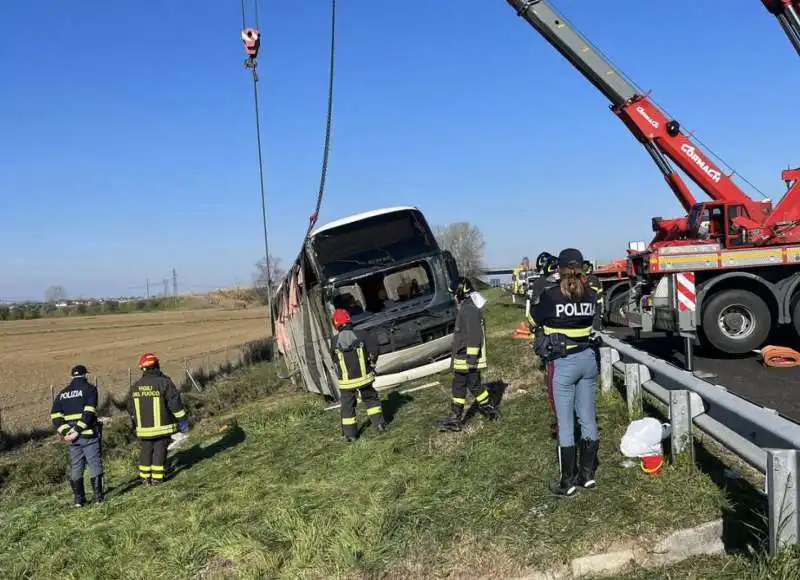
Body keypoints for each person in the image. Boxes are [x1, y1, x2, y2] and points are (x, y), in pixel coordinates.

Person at [533, 248, 600, 497]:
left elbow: (535, 317)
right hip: (588, 359)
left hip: (563, 362)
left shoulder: (550, 296)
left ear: (558, 269)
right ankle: (588, 475)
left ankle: (567, 482)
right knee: (588, 417)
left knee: (565, 423)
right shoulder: (592, 296)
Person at [438, 277, 499, 431]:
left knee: (473, 385)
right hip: (462, 357)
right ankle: (457, 417)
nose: (453, 297)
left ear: (460, 293)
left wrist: (471, 358)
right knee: (462, 385)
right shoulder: (467, 307)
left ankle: (487, 409)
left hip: (467, 358)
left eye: (454, 294)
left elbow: (474, 336)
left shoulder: (469, 310)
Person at [127, 353, 188, 485]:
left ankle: (144, 477)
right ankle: (157, 478)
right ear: (157, 365)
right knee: (159, 450)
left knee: (146, 450)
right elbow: (175, 403)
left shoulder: (136, 386)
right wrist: (182, 420)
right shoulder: (164, 382)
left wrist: (136, 422)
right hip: (162, 427)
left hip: (143, 429)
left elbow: (130, 407)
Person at [51, 364, 104, 507]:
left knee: (76, 466)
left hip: (71, 438)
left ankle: (79, 500)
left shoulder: (62, 394)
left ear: (72, 376)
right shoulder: (90, 389)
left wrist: (66, 432)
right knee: (94, 463)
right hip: (88, 434)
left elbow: (55, 416)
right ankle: (99, 498)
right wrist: (78, 430)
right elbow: (89, 411)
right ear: (86, 375)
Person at [330, 308, 388, 442]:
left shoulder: (334, 341)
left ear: (336, 324)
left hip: (346, 382)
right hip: (364, 378)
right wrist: (371, 364)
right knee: (371, 400)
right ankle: (379, 425)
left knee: (347, 406)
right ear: (349, 320)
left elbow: (334, 358)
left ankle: (350, 435)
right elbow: (374, 351)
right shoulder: (362, 334)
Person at [583, 260, 604, 330]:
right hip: (592, 302)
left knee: (596, 318)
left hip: (596, 302)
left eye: (585, 266)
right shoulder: (585, 277)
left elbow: (592, 293)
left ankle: (597, 329)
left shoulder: (592, 278)